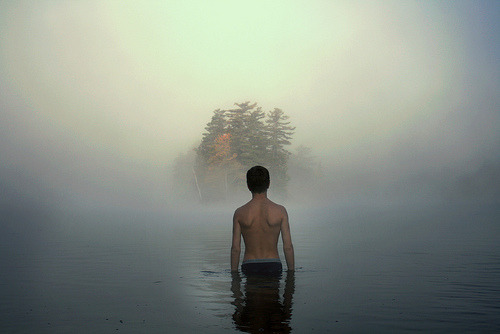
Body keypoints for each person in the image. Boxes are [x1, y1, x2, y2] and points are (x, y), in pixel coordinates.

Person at [231, 166, 294, 275]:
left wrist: (234, 275)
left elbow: (235, 249)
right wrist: (291, 273)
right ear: (269, 184)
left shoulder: (240, 213)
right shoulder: (280, 211)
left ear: (248, 186)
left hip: (249, 264)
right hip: (273, 263)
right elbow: (288, 247)